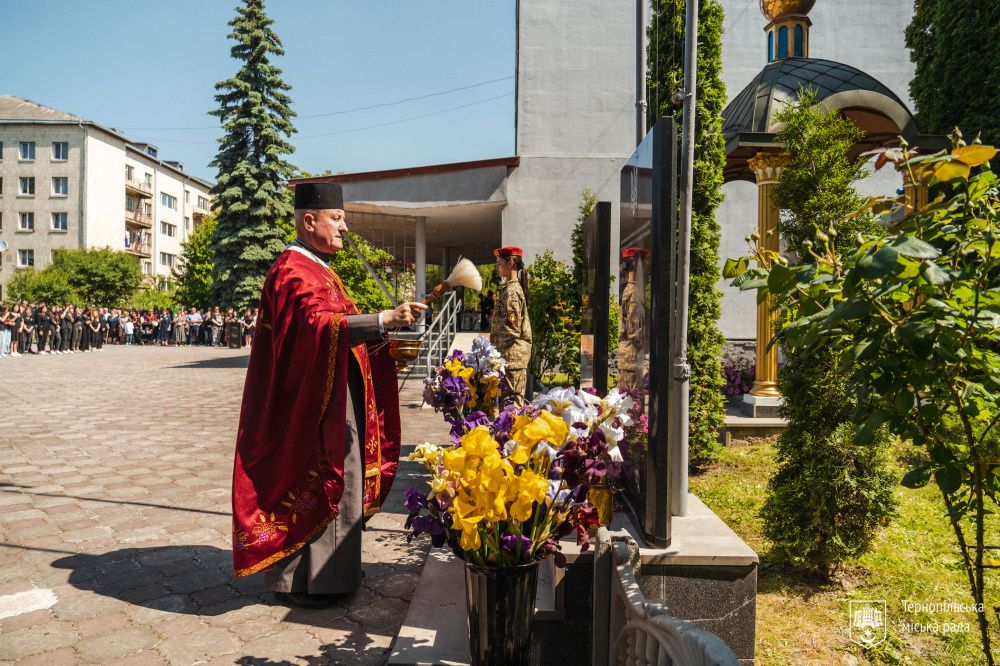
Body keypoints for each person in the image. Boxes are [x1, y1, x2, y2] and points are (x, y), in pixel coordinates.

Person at [231, 182, 426, 609]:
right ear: (309, 221)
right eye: (336, 219)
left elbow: (337, 327)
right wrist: (380, 318)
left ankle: (329, 574)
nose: (344, 227)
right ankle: (315, 581)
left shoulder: (318, 267)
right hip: (308, 405)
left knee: (343, 473)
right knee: (324, 475)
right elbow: (314, 327)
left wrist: (382, 334)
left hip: (334, 394)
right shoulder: (292, 269)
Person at [490, 246, 533, 400]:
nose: (497, 267)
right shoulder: (509, 288)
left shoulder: (512, 291)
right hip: (510, 357)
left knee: (513, 405)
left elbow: (512, 329)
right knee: (507, 405)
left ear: (511, 263)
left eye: (499, 263)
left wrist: (493, 350)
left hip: (512, 357)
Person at [617, 247, 649, 394]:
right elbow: (634, 329)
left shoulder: (627, 289)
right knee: (631, 399)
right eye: (644, 262)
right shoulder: (635, 292)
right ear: (636, 264)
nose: (647, 267)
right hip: (632, 357)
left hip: (625, 355)